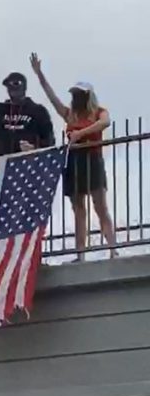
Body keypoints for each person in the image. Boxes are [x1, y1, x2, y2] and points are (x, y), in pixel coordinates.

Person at [29, 53, 117, 260]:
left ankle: (113, 248)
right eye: (75, 93)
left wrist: (80, 134)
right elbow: (52, 98)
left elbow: (105, 123)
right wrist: (39, 74)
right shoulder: (70, 114)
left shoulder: (98, 112)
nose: (76, 97)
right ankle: (80, 253)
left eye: (80, 94)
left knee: (100, 205)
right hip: (74, 161)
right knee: (78, 207)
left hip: (92, 159)